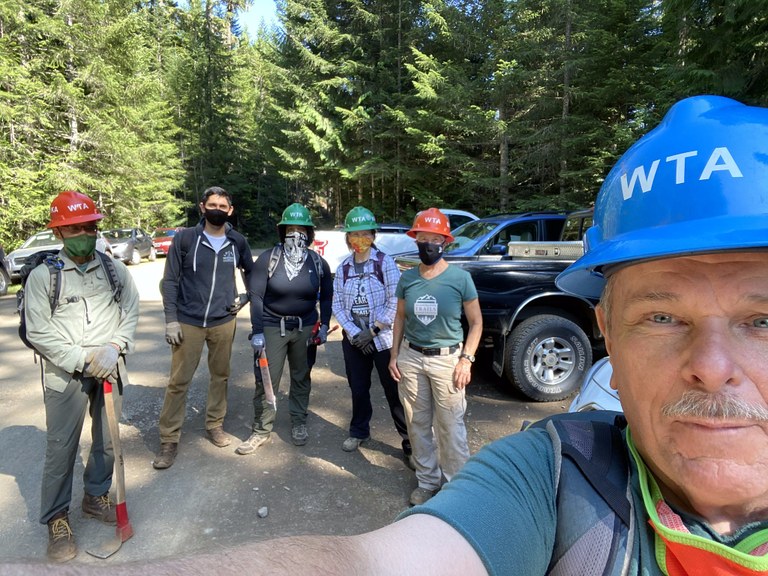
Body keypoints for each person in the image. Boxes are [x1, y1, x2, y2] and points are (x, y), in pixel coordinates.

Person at [10, 95, 768, 576]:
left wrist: (454, 353)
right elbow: (376, 563)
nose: (712, 366)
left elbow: (427, 310)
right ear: (604, 327)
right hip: (187, 348)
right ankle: (72, 505)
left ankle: (119, 488)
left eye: (760, 319)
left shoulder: (394, 268)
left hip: (361, 345)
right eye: (661, 316)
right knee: (71, 445)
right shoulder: (559, 475)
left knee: (416, 419)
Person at [24, 191, 140, 562]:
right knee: (61, 448)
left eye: (91, 227)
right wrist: (82, 359)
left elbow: (131, 309)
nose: (86, 234)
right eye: (77, 228)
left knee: (107, 440)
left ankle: (95, 496)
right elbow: (37, 331)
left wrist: (116, 346)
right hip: (65, 374)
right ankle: (56, 519)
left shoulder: (113, 269)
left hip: (110, 365)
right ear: (59, 232)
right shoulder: (44, 278)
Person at [153, 186, 254, 470]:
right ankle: (169, 439)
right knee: (178, 382)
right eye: (212, 205)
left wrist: (245, 297)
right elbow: (170, 281)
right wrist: (171, 319)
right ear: (202, 207)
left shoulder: (237, 241)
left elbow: (251, 271)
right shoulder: (185, 239)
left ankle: (215, 424)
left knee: (220, 376)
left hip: (224, 320)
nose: (217, 210)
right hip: (188, 320)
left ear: (230, 210)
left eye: (223, 206)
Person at [389, 208, 483, 506]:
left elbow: (476, 322)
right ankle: (427, 482)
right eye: (422, 238)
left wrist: (466, 359)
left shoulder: (460, 279)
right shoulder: (408, 279)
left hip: (447, 361)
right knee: (417, 423)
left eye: (434, 239)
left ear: (445, 242)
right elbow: (400, 319)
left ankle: (458, 489)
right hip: (411, 358)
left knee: (450, 425)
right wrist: (394, 356)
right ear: (415, 240)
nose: (427, 244)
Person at [237, 202, 332, 454]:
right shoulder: (269, 258)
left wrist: (324, 326)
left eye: (301, 229)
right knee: (266, 379)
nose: (296, 234)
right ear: (282, 232)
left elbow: (326, 297)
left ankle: (299, 421)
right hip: (271, 326)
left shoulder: (317, 262)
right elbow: (256, 295)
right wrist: (257, 331)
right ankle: (261, 429)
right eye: (290, 229)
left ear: (309, 234)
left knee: (301, 376)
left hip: (306, 327)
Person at [331, 206, 411, 462]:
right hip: (355, 341)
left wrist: (373, 331)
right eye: (354, 235)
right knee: (358, 387)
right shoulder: (343, 267)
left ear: (374, 236)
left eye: (365, 234)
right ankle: (359, 431)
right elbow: (337, 305)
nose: (359, 240)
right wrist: (356, 334)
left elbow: (394, 302)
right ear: (347, 238)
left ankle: (410, 442)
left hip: (384, 339)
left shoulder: (385, 263)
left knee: (393, 391)